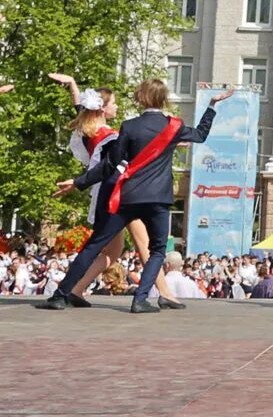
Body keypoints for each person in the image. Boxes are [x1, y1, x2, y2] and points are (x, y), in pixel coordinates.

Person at [42, 79, 232, 312]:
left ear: (140, 98)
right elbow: (201, 135)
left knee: (95, 245)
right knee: (156, 250)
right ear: (163, 99)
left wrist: (79, 182)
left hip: (126, 197)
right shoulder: (174, 125)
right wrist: (212, 105)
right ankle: (141, 299)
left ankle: (61, 295)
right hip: (158, 198)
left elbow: (110, 164)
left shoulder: (129, 126)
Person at [47, 74, 152, 303]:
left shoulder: (89, 130)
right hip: (117, 194)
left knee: (114, 250)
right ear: (102, 109)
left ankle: (76, 290)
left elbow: (79, 108)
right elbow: (129, 155)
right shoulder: (108, 135)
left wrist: (73, 84)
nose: (116, 106)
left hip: (105, 192)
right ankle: (159, 295)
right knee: (141, 247)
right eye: (113, 103)